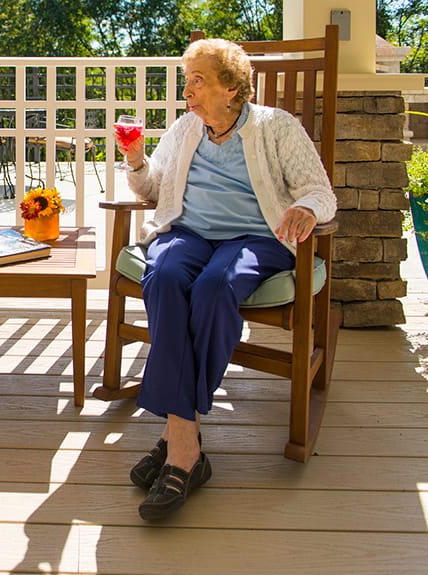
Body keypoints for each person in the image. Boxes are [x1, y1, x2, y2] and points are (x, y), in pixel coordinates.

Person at [115, 38, 336, 521]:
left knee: (215, 287)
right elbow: (155, 190)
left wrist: (303, 208)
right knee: (165, 276)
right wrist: (135, 160)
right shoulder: (184, 128)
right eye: (186, 80)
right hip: (189, 232)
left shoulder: (278, 126)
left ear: (232, 88)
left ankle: (178, 444)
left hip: (254, 239)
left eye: (198, 81)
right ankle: (185, 441)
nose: (187, 92)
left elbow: (321, 192)